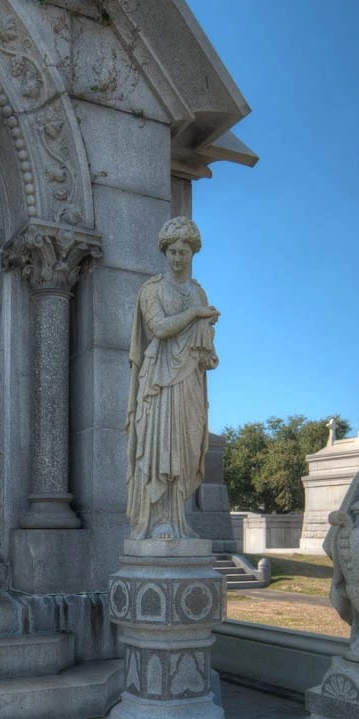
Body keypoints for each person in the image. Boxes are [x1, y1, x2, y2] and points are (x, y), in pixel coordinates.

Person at [126, 216, 219, 540]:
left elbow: (202, 343)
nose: (178, 258)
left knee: (187, 446)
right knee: (160, 445)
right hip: (160, 377)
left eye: (185, 252)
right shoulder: (151, 289)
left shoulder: (197, 291)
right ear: (165, 253)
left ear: (193, 253)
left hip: (189, 377)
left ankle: (179, 521)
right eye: (173, 252)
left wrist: (207, 340)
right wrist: (195, 315)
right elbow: (160, 328)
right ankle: (157, 521)